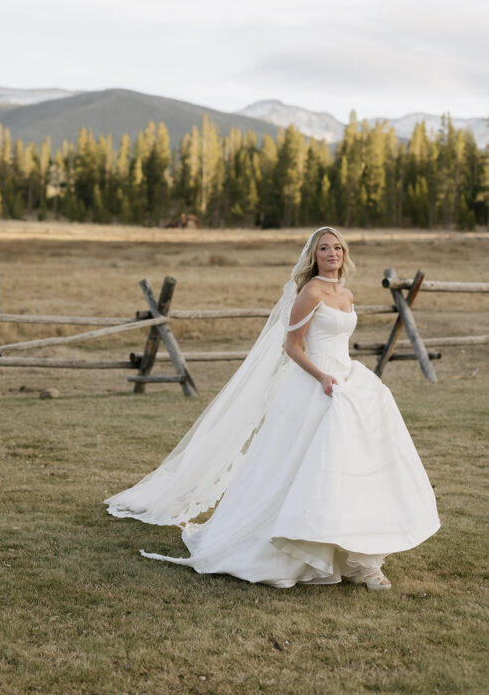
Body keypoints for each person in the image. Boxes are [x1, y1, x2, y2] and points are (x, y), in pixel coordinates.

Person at [106, 227, 439, 589]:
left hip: (349, 379)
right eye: (324, 248)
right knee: (305, 466)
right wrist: (322, 377)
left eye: (337, 248)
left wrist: (343, 375)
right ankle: (295, 547)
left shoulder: (346, 294)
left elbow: (340, 340)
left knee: (354, 466)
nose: (332, 253)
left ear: (344, 254)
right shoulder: (310, 291)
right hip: (317, 382)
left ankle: (362, 559)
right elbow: (292, 346)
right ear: (314, 256)